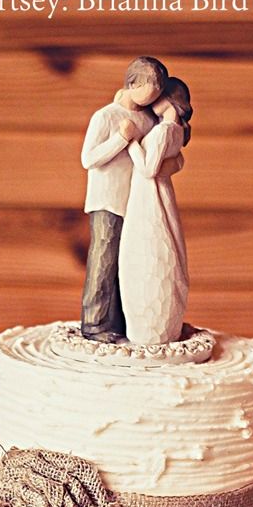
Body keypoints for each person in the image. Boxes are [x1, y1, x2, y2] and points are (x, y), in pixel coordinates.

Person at [80, 57, 168, 343]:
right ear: (133, 84)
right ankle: (94, 324)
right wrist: (120, 138)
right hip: (107, 200)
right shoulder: (106, 116)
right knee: (104, 260)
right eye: (149, 91)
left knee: (127, 263)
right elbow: (88, 159)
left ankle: (119, 322)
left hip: (137, 204)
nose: (152, 99)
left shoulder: (148, 119)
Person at [118, 77, 193, 345]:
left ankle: (150, 330)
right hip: (160, 194)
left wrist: (130, 142)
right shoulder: (176, 131)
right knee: (162, 249)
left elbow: (148, 169)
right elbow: (176, 161)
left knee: (146, 255)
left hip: (148, 197)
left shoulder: (162, 131)